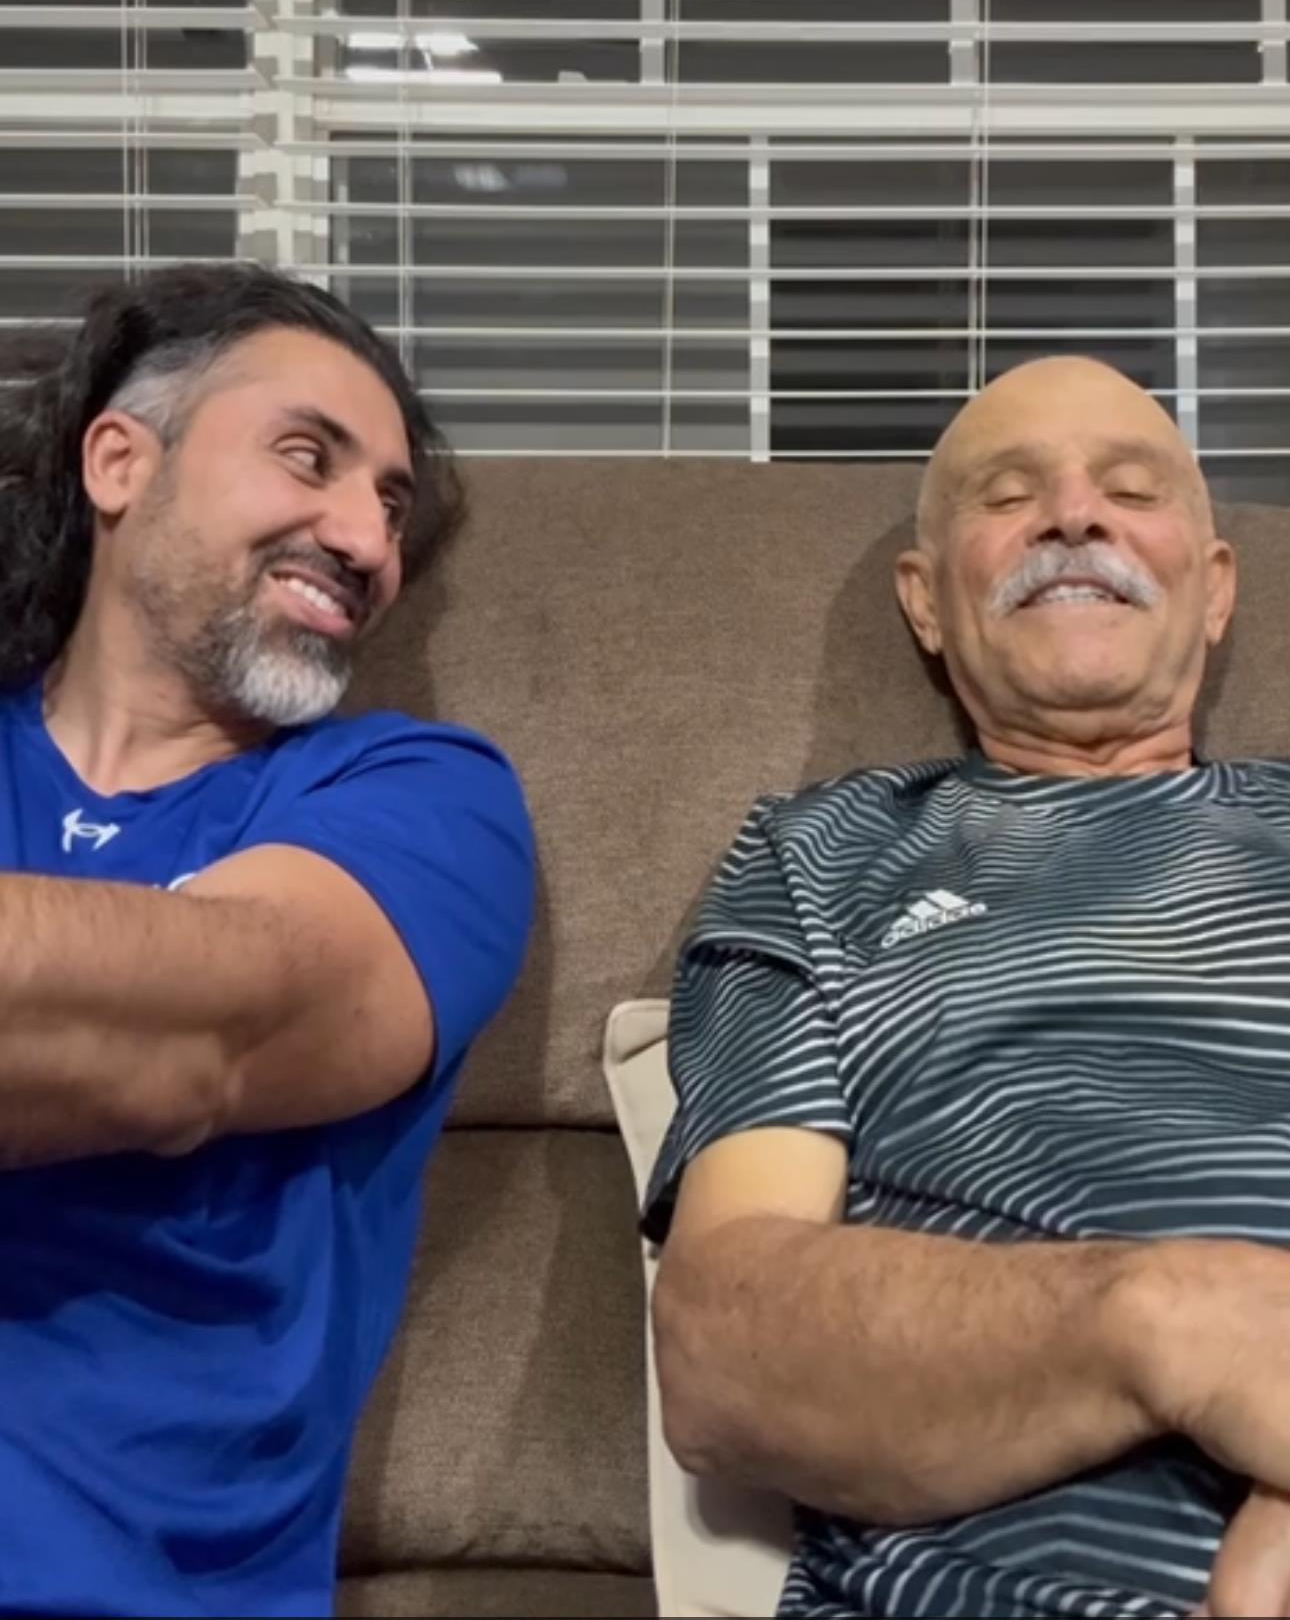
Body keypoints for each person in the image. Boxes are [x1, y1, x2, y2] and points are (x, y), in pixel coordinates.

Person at [646, 356, 1290, 1620]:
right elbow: (720, 1350)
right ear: (926, 602)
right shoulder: (812, 857)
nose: (1073, 515)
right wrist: (1176, 1323)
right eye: (1010, 493)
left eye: (1128, 486)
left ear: (1215, 592)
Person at [0, 265, 533, 1618]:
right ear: (121, 459)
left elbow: (179, 1037)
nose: (364, 538)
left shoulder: (423, 799)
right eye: (310, 457)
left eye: (393, 507)